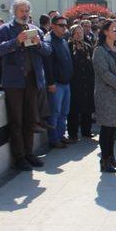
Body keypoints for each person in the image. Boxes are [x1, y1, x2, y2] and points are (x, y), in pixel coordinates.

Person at [0, 0, 51, 171]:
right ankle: (19, 157)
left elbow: (48, 51)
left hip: (32, 81)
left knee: (30, 119)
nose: (24, 14)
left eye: (27, 11)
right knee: (16, 120)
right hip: (14, 82)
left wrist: (39, 44)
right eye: (21, 11)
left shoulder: (36, 30)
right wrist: (16, 41)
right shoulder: (3, 30)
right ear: (14, 12)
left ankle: (29, 153)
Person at [93, 19, 116, 172]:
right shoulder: (99, 51)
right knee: (106, 129)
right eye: (113, 29)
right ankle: (105, 160)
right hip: (106, 94)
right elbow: (104, 74)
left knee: (113, 128)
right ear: (105, 32)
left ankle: (112, 158)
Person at [43, 15, 74, 147]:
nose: (64, 28)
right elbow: (47, 65)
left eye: (65, 25)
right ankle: (54, 140)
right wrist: (50, 83)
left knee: (64, 112)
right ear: (53, 26)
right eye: (61, 25)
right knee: (55, 113)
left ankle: (61, 135)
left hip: (66, 83)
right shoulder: (49, 41)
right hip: (56, 84)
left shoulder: (63, 41)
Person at [67, 24, 95, 139]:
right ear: (72, 34)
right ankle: (73, 134)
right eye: (76, 33)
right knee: (73, 109)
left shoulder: (88, 47)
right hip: (74, 82)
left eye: (81, 33)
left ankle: (86, 131)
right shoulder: (68, 46)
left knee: (87, 108)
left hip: (88, 82)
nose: (79, 35)